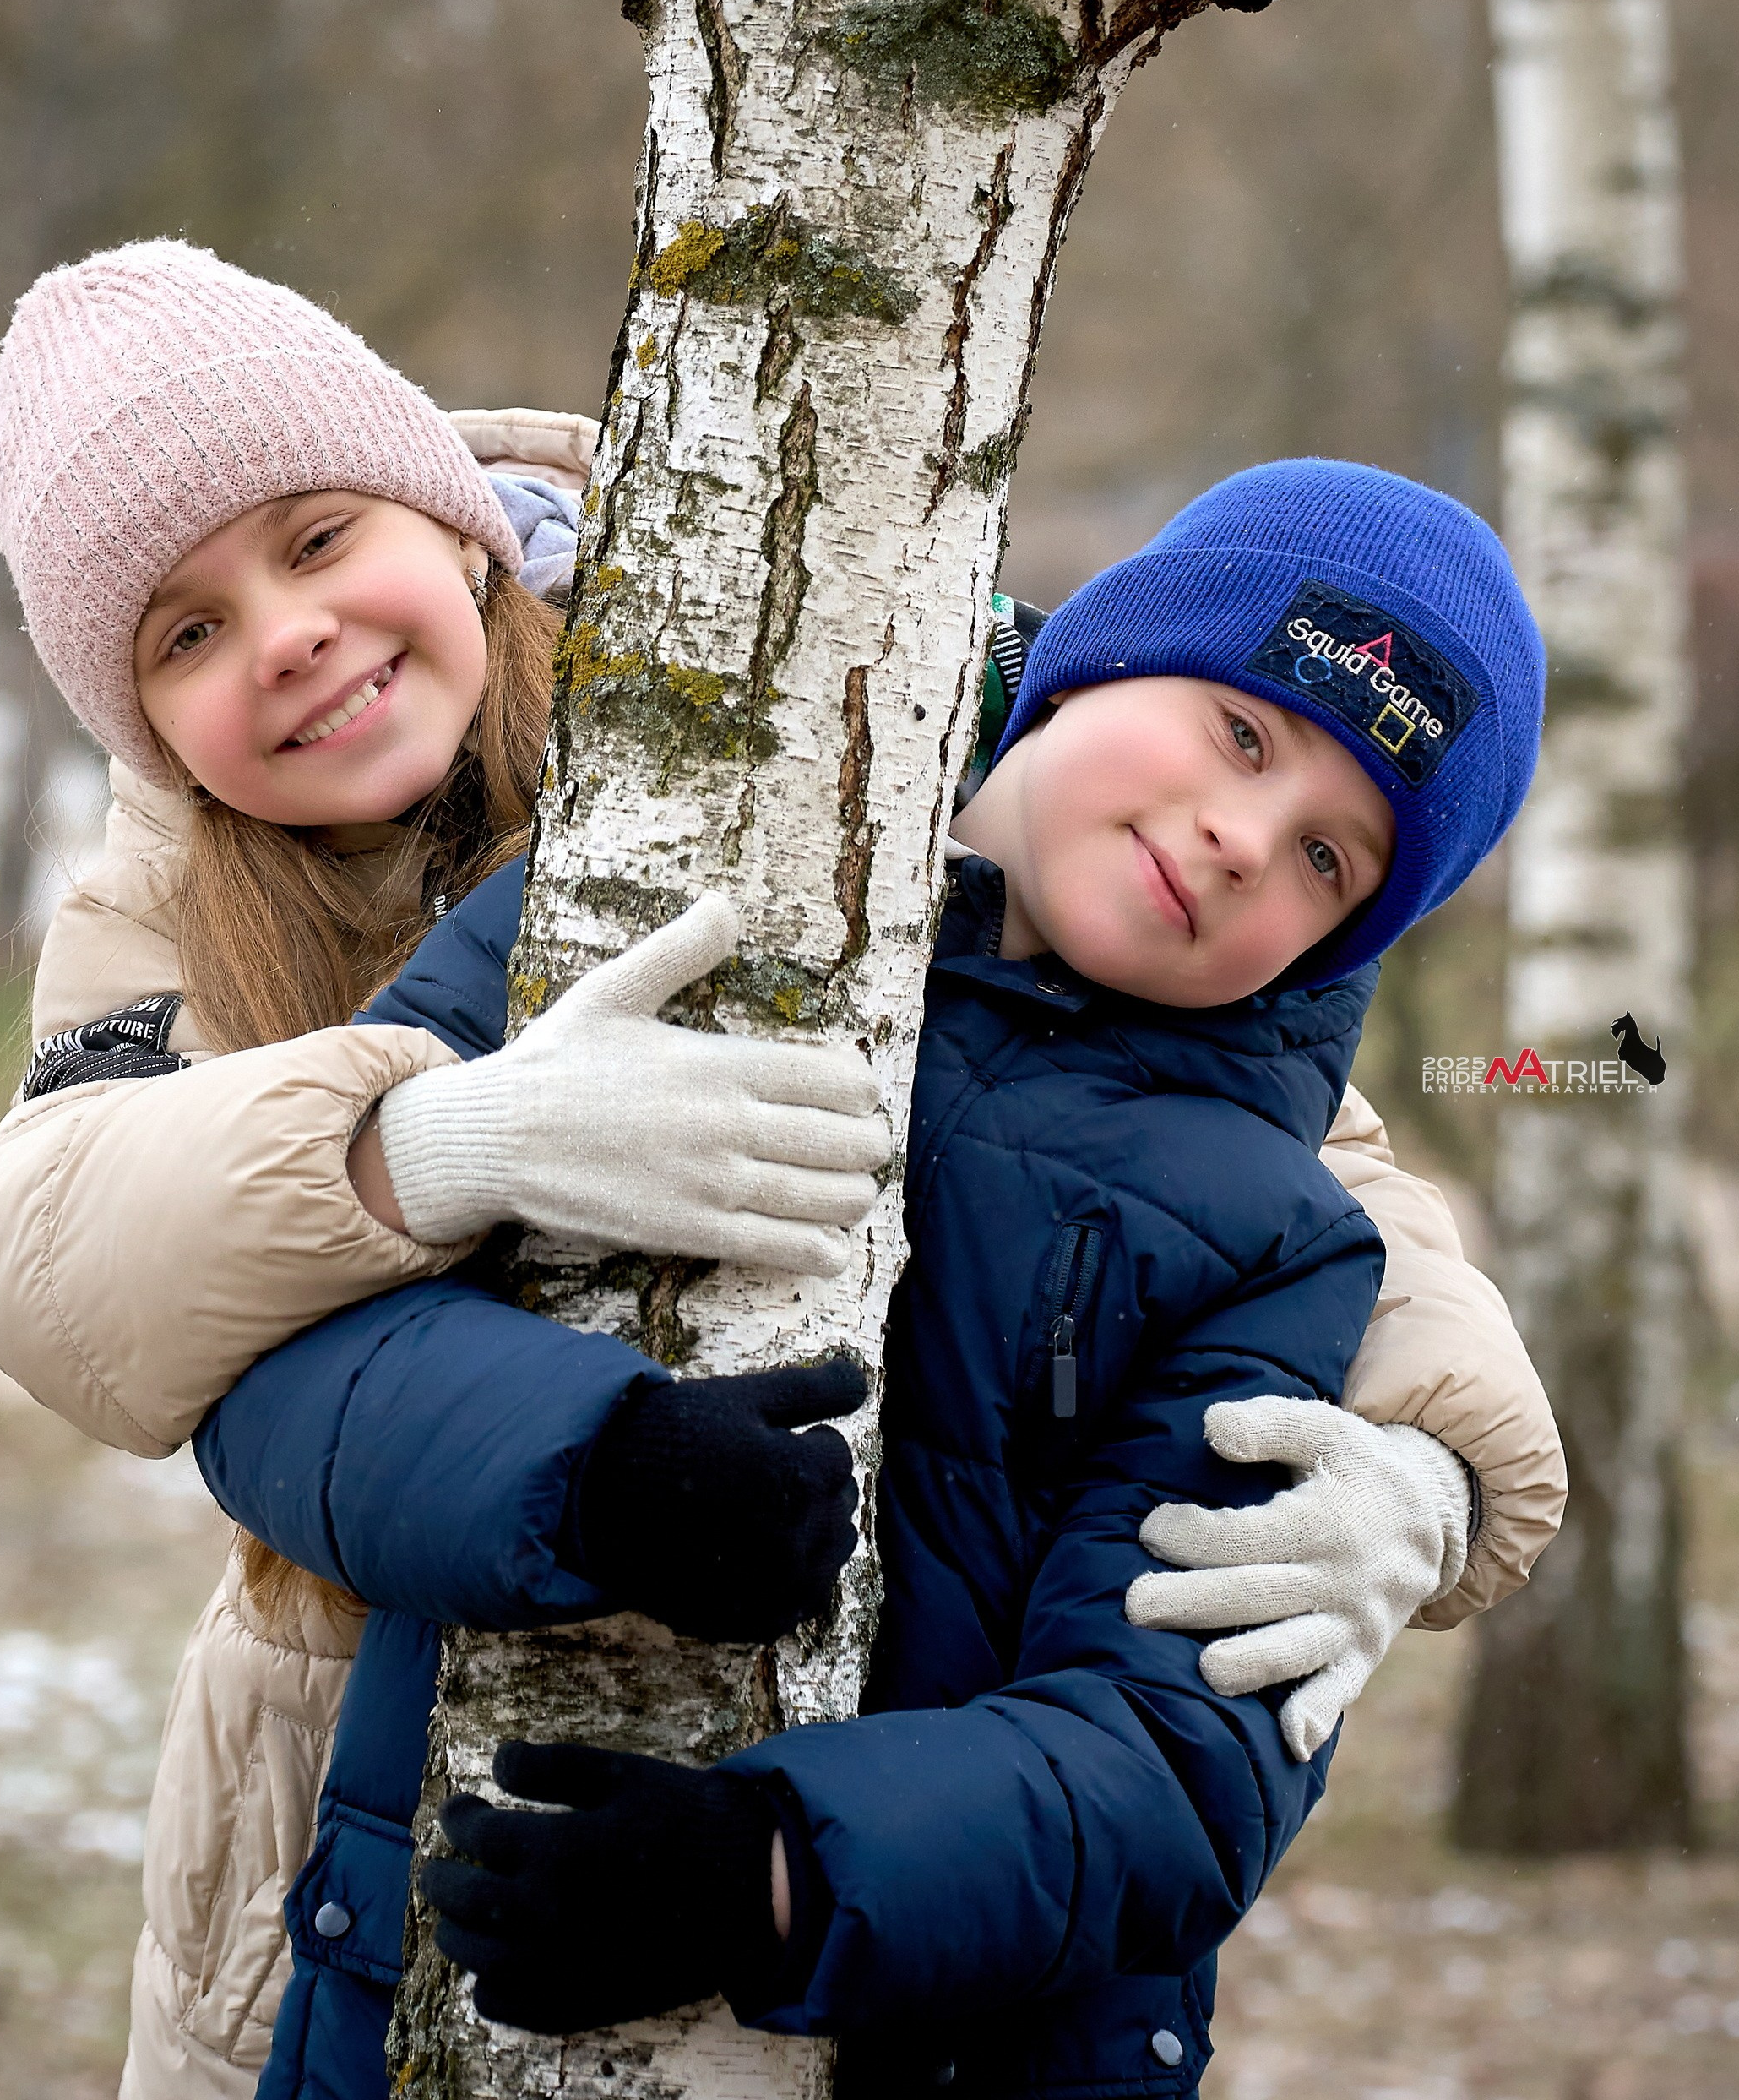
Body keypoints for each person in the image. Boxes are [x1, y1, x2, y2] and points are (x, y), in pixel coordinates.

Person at [199, 462, 1563, 2099]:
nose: (1241, 839)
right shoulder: (645, 896)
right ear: (1103, 658)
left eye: (1330, 859)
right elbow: (283, 1356)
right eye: (1244, 735)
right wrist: (590, 1468)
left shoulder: (1273, 1239)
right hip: (428, 1997)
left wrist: (773, 1875)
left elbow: (1185, 1751)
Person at [0, 239, 891, 2100]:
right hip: (318, 1778)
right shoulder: (164, 894)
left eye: (316, 540)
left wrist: (1433, 1464)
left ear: (457, 525)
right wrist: (433, 1142)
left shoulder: (779, 663)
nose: (284, 635)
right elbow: (45, 1255)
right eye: (185, 636)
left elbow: (1227, 1083)